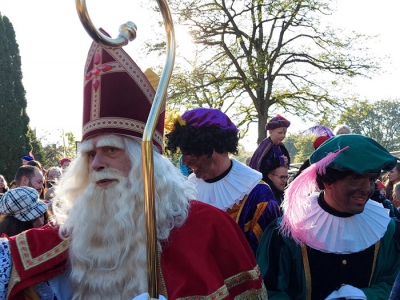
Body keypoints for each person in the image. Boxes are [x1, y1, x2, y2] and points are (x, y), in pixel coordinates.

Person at [0, 37, 266, 299]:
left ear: (145, 162)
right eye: (90, 154)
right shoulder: (78, 231)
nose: (96, 164)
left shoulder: (210, 227)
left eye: (111, 150)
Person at [257, 134, 400, 299]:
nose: (367, 189)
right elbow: (268, 291)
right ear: (327, 181)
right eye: (355, 179)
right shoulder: (286, 232)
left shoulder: (385, 229)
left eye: (371, 179)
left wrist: (365, 295)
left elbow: (393, 282)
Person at [165, 107, 281, 254]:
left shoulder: (257, 195)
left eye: (189, 154)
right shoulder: (187, 191)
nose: (184, 162)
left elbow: (266, 260)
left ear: (209, 148)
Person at [249, 114, 291, 179]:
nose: (283, 136)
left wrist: (286, 162)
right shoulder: (265, 146)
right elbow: (260, 165)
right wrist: (278, 161)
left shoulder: (282, 147)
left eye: (284, 133)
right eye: (280, 133)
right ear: (271, 132)